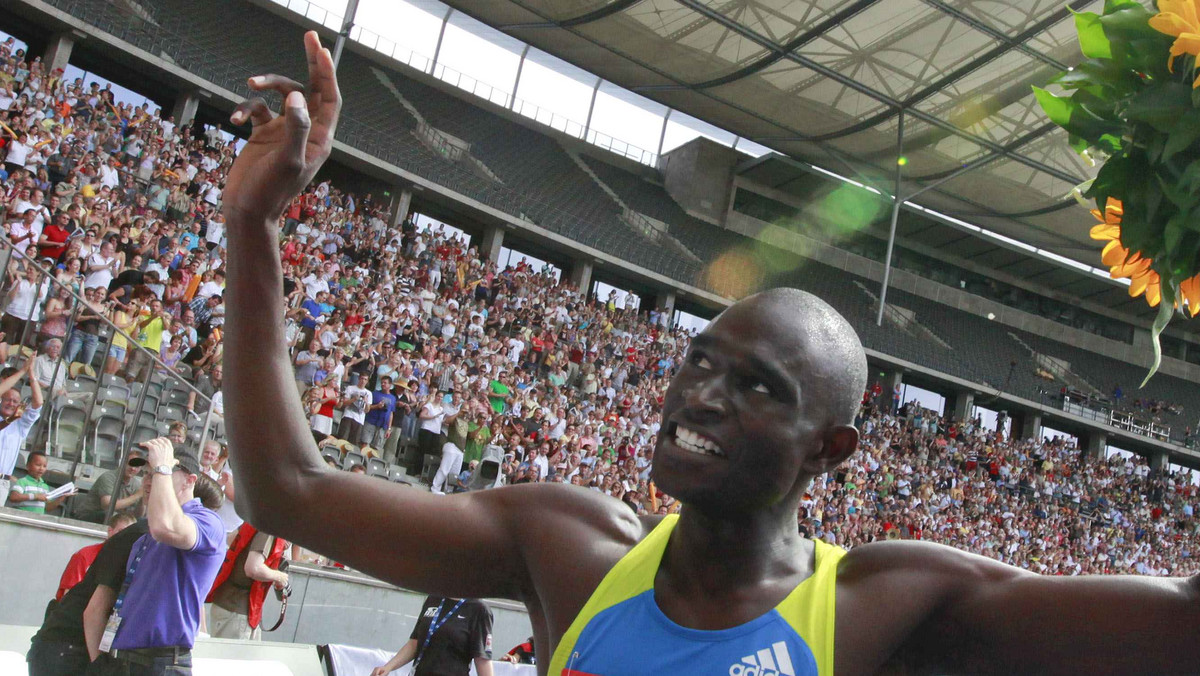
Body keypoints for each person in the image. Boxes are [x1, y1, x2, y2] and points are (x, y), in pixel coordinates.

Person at [222, 33, 1200, 676]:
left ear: (830, 451)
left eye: (759, 387)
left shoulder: (885, 603)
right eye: (701, 359)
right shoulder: (569, 546)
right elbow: (289, 492)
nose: (704, 392)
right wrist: (254, 225)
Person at [83, 439, 227, 675]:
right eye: (148, 473)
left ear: (190, 481)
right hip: (128, 659)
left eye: (162, 472)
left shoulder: (207, 521)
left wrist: (163, 468)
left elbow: (166, 527)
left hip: (161, 661)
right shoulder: (145, 537)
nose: (150, 480)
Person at [369, 596, 494, 676]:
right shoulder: (433, 599)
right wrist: (388, 667)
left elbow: (482, 658)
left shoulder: (479, 609)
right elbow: (414, 643)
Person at [206, 522, 289, 641]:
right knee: (233, 659)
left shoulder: (255, 519)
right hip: (237, 610)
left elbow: (230, 539)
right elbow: (253, 568)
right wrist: (279, 576)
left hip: (229, 606)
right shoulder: (269, 528)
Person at [56, 513, 138, 601]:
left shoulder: (134, 562)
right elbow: (67, 597)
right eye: (121, 531)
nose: (125, 537)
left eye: (130, 534)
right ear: (110, 531)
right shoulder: (85, 555)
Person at [74, 449, 145, 524]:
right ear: (123, 462)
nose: (133, 468)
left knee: (140, 522)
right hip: (88, 516)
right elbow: (107, 506)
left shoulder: (136, 485)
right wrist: (136, 496)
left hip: (115, 519)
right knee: (110, 515)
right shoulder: (108, 477)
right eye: (130, 464)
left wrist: (142, 499)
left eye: (137, 466)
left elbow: (137, 515)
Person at [0, 359, 43, 478]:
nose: (11, 404)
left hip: (3, 482)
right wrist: (23, 370)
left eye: (15, 401)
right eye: (7, 400)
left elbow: (38, 403)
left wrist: (31, 374)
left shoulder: (20, 423)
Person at [9, 450, 75, 513]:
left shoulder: (44, 487)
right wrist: (35, 496)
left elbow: (47, 508)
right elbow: (14, 497)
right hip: (21, 519)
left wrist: (62, 496)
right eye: (38, 465)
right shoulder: (22, 481)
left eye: (44, 466)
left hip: (36, 521)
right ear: (28, 466)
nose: (41, 468)